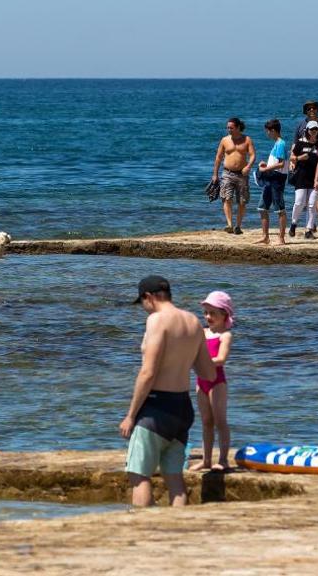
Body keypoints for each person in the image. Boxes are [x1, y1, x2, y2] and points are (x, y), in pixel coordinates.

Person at [121, 276, 218, 507]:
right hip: (182, 408)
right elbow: (208, 373)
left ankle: (143, 531)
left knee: (139, 475)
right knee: (174, 478)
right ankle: (179, 530)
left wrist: (131, 415)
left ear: (149, 297)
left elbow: (148, 372)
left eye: (142, 302)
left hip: (156, 408)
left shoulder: (157, 320)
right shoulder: (193, 321)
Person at [193, 291, 235, 472]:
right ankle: (207, 460)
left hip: (217, 382)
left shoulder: (225, 335)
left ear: (224, 314)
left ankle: (224, 460)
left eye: (213, 313)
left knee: (220, 421)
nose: (208, 317)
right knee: (206, 421)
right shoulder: (201, 333)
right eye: (206, 313)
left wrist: (202, 362)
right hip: (200, 381)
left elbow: (221, 359)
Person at [211, 118, 256, 235]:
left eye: (231, 128)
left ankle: (238, 226)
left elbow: (252, 155)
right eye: (227, 128)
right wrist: (215, 174)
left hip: (242, 174)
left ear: (237, 127)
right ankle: (229, 224)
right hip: (227, 173)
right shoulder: (224, 140)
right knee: (226, 198)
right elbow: (218, 158)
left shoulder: (247, 140)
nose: (228, 130)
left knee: (242, 201)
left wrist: (248, 166)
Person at [255, 119, 289, 245]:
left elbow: (281, 164)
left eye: (267, 131)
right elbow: (276, 162)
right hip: (271, 177)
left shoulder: (281, 143)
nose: (267, 134)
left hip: (277, 179)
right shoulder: (277, 144)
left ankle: (281, 238)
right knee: (262, 207)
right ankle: (265, 237)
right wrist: (266, 165)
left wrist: (265, 168)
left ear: (273, 130)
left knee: (280, 209)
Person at [288, 122, 318, 239]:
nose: (314, 131)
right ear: (307, 130)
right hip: (301, 177)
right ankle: (293, 224)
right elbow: (292, 158)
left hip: (315, 178)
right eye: (311, 129)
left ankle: (308, 230)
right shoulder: (300, 143)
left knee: (312, 205)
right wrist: (299, 158)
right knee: (299, 202)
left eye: (316, 129)